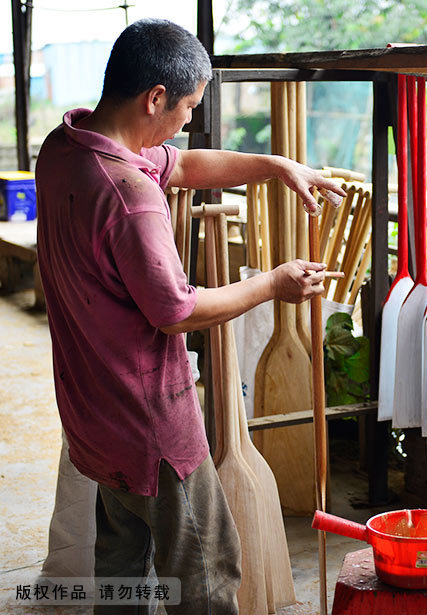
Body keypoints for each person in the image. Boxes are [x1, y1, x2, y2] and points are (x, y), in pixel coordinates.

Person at [34, 18, 345, 614]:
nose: (187, 122)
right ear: (155, 98)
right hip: (150, 425)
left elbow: (187, 165)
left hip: (93, 417)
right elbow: (175, 311)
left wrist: (277, 165)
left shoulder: (63, 146)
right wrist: (270, 284)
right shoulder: (129, 195)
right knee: (205, 574)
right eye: (188, 107)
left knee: (121, 568)